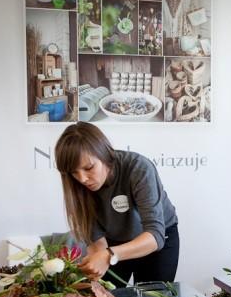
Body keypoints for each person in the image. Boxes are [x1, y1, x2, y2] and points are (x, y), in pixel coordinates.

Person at [55, 122, 179, 286]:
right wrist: (96, 261)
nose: (82, 179)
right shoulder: (78, 185)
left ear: (104, 154)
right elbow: (96, 239)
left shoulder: (138, 168)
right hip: (113, 242)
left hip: (157, 240)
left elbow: (155, 236)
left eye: (89, 167)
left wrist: (108, 255)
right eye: (74, 172)